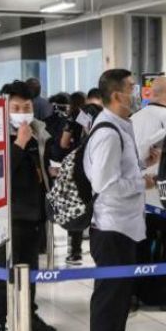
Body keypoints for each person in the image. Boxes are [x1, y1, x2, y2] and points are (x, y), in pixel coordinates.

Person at [83, 68, 158, 331]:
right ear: (116, 95)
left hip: (125, 224)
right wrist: (142, 182)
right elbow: (105, 183)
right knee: (110, 296)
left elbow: (119, 169)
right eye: (131, 87)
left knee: (121, 294)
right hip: (111, 225)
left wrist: (143, 162)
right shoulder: (106, 132)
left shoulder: (119, 126)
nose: (137, 92)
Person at [0, 81, 56, 331]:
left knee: (31, 270)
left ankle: (28, 313)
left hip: (35, 213)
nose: (22, 111)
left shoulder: (39, 132)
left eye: (26, 106)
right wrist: (18, 144)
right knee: (2, 274)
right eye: (16, 107)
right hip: (9, 215)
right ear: (5, 109)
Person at [130, 76, 166, 311]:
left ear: (149, 94)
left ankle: (136, 294)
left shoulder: (131, 120)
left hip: (136, 197)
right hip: (165, 197)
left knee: (139, 248)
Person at [59, 92, 92, 267]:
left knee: (76, 204)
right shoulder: (91, 116)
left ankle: (75, 251)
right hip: (93, 163)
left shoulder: (72, 117)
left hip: (76, 165)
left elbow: (63, 143)